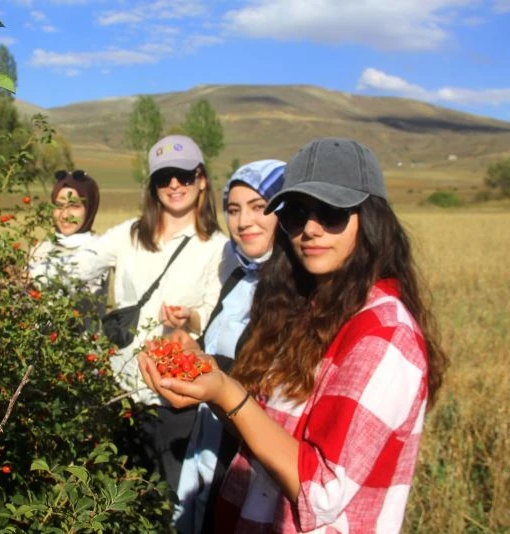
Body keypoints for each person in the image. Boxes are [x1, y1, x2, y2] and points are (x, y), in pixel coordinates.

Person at [139, 137, 448, 533]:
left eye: (332, 212)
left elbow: (321, 492)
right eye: (297, 215)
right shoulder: (311, 311)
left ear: (371, 219)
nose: (310, 229)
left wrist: (225, 392)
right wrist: (206, 375)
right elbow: (266, 431)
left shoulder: (382, 335)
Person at [72, 134, 229, 493]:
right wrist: (47, 252)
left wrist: (189, 317)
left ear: (202, 180)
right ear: (153, 186)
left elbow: (217, 315)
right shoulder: (128, 234)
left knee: (167, 497)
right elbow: (80, 266)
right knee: (113, 494)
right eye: (163, 177)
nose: (174, 185)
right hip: (120, 388)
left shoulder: (218, 248)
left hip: (175, 397)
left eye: (184, 175)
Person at [174, 159, 287, 534]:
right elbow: (218, 352)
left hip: (248, 460)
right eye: (234, 210)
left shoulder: (295, 293)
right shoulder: (238, 276)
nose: (243, 222)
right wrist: (189, 351)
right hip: (209, 438)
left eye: (259, 207)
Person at [28, 169, 106, 317]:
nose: (65, 215)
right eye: (59, 205)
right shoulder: (39, 250)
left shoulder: (100, 249)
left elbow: (74, 276)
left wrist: (33, 277)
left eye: (74, 206)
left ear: (90, 208)